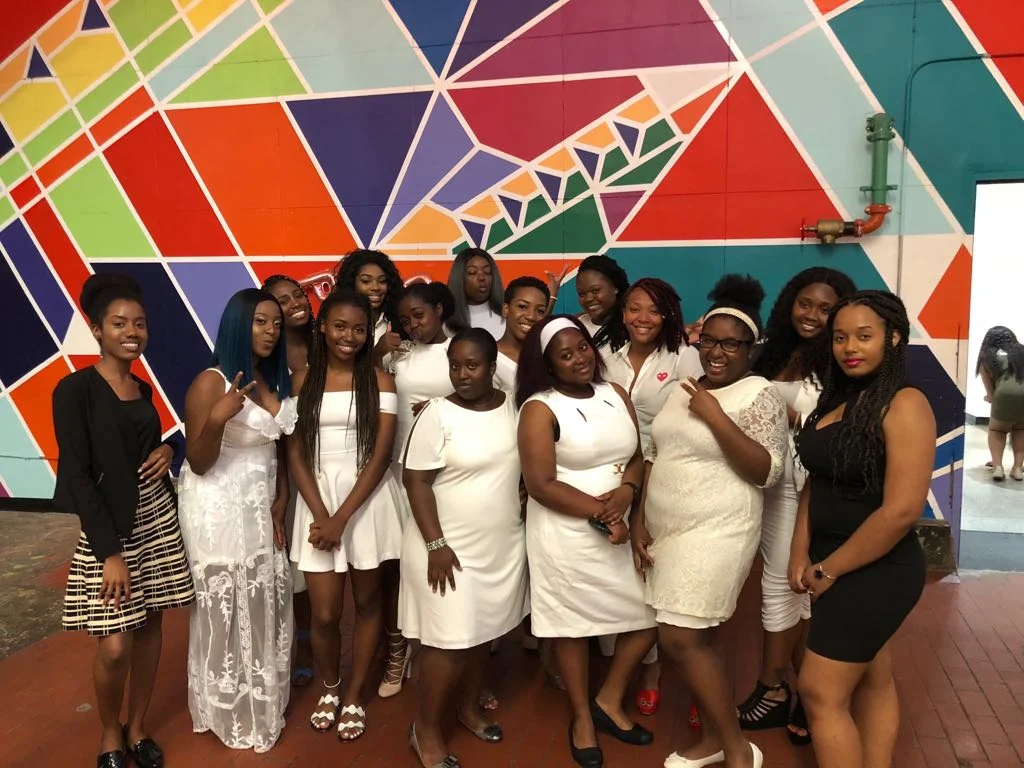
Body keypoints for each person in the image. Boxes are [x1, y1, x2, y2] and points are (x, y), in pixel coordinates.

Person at [633, 275, 788, 768]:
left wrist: (715, 415)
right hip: (667, 530)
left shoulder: (758, 393)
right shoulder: (683, 390)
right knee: (698, 638)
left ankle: (738, 749)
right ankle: (714, 741)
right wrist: (639, 519)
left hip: (719, 530)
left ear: (750, 348)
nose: (716, 352)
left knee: (679, 637)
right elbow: (655, 453)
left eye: (730, 344)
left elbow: (766, 471)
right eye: (708, 341)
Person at [56, 274, 195, 768]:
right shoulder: (74, 390)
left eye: (139, 323)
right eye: (118, 323)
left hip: (157, 517)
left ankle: (137, 727)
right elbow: (77, 475)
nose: (131, 332)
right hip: (110, 528)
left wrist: (169, 448)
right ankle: (109, 732)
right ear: (97, 330)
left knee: (151, 624)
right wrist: (109, 552)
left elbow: (146, 445)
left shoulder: (142, 388)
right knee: (115, 646)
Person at [791, 290, 934, 768]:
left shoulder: (905, 403)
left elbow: (901, 512)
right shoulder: (842, 398)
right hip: (831, 559)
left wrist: (828, 570)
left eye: (864, 336)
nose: (849, 347)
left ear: (893, 338)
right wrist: (799, 551)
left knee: (818, 691)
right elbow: (817, 481)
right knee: (873, 678)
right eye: (840, 338)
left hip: (878, 568)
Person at [518, 314, 657, 768]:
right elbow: (540, 484)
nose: (579, 358)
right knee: (573, 626)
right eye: (565, 354)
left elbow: (636, 455)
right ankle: (581, 718)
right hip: (566, 532)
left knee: (649, 614)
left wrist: (627, 493)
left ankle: (609, 699)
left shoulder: (614, 392)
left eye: (582, 347)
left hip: (620, 519)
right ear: (548, 364)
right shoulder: (539, 408)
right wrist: (604, 514)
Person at [737, 267, 856, 745]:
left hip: (801, 486)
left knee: (782, 584)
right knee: (797, 594)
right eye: (805, 303)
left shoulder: (838, 361)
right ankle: (810, 691)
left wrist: (783, 414)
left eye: (826, 309)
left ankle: (771, 688)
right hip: (763, 482)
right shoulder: (774, 352)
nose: (812, 315)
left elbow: (837, 428)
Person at [400, 328, 529, 768]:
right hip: (445, 548)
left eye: (472, 366)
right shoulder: (436, 413)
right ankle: (425, 730)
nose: (461, 374)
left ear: (492, 368)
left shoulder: (513, 407)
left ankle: (468, 708)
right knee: (448, 642)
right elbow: (415, 482)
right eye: (454, 365)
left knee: (481, 635)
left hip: (499, 545)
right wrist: (436, 544)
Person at [177, 288, 296, 753]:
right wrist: (217, 419)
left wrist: (282, 497)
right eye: (260, 322)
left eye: (276, 324)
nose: (271, 331)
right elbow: (199, 461)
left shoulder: (272, 376)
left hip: (260, 504)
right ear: (236, 325)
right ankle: (227, 708)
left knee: (262, 595)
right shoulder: (211, 382)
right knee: (227, 602)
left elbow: (278, 445)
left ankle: (261, 699)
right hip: (218, 507)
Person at [287, 289, 405, 741]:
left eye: (359, 329)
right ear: (322, 327)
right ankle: (330, 687)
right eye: (340, 326)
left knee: (370, 603)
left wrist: (343, 517)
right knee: (324, 614)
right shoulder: (302, 380)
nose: (349, 336)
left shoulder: (381, 381)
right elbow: (296, 452)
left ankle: (354, 694)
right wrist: (322, 514)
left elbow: (381, 454)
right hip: (318, 502)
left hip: (366, 501)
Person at [602, 277, 703, 717]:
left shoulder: (683, 356)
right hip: (613, 470)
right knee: (620, 573)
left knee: (651, 569)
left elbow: (693, 421)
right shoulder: (607, 355)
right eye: (634, 308)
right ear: (623, 313)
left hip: (664, 472)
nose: (642, 318)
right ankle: (631, 662)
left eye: (653, 310)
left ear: (668, 315)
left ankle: (653, 670)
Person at [376, 281, 464, 698]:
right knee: (403, 567)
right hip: (398, 471)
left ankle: (456, 656)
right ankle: (400, 651)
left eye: (419, 315)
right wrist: (381, 350)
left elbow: (492, 396)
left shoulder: (460, 349)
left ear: (440, 309)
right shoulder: (400, 353)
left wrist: (442, 406)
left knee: (446, 564)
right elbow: (367, 381)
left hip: (447, 474)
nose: (413, 325)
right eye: (405, 319)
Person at [263, 274, 316, 687]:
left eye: (298, 294)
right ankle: (305, 642)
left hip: (337, 463)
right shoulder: (269, 359)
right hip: (290, 471)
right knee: (298, 567)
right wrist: (283, 491)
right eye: (282, 300)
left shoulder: (329, 341)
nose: (295, 302)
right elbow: (277, 434)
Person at [334, 249, 406, 365]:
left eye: (382, 281)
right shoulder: (339, 324)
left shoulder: (399, 321)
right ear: (352, 284)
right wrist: (378, 352)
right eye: (366, 281)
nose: (376, 287)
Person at [975, 326, 1024, 481]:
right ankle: (1017, 468)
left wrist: (990, 398)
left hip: (1004, 395)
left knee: (997, 430)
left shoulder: (987, 358)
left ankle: (998, 467)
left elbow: (991, 394)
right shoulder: (1022, 352)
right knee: (1021, 429)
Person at [494, 276, 552, 393]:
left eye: (540, 311)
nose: (531, 316)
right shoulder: (489, 359)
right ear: (506, 309)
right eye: (522, 307)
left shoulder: (549, 358)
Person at [447, 248, 506, 340]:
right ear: (459, 278)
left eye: (487, 272)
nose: (482, 277)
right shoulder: (444, 322)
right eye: (472, 272)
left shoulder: (507, 317)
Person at [575, 254, 629, 352]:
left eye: (595, 290)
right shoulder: (575, 326)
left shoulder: (631, 326)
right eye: (581, 294)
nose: (588, 299)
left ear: (615, 287)